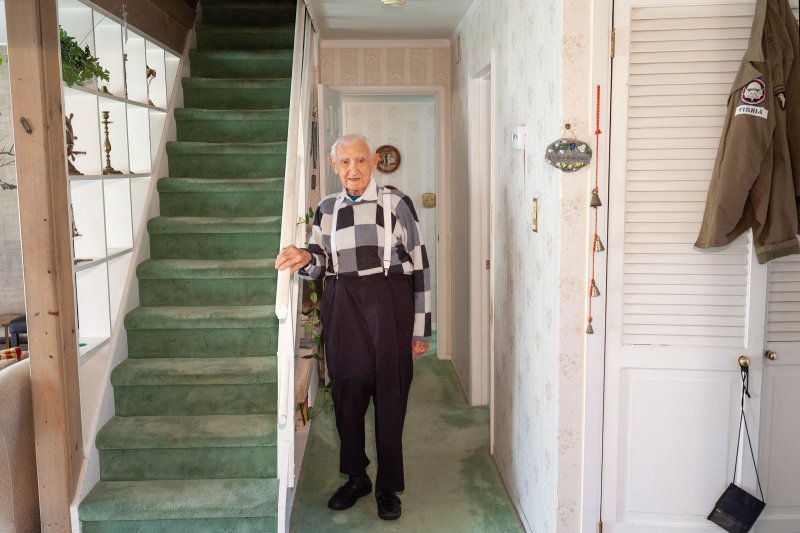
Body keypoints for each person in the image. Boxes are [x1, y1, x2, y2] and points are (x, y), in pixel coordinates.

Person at [275, 134, 431, 521]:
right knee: (346, 396)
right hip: (343, 305)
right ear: (334, 167)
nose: (353, 170)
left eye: (360, 161)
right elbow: (320, 262)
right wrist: (302, 256)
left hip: (389, 302)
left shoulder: (397, 203)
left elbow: (419, 264)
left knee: (391, 400)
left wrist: (419, 329)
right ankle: (357, 477)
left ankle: (388, 487)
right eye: (345, 163)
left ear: (373, 161)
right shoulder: (326, 209)